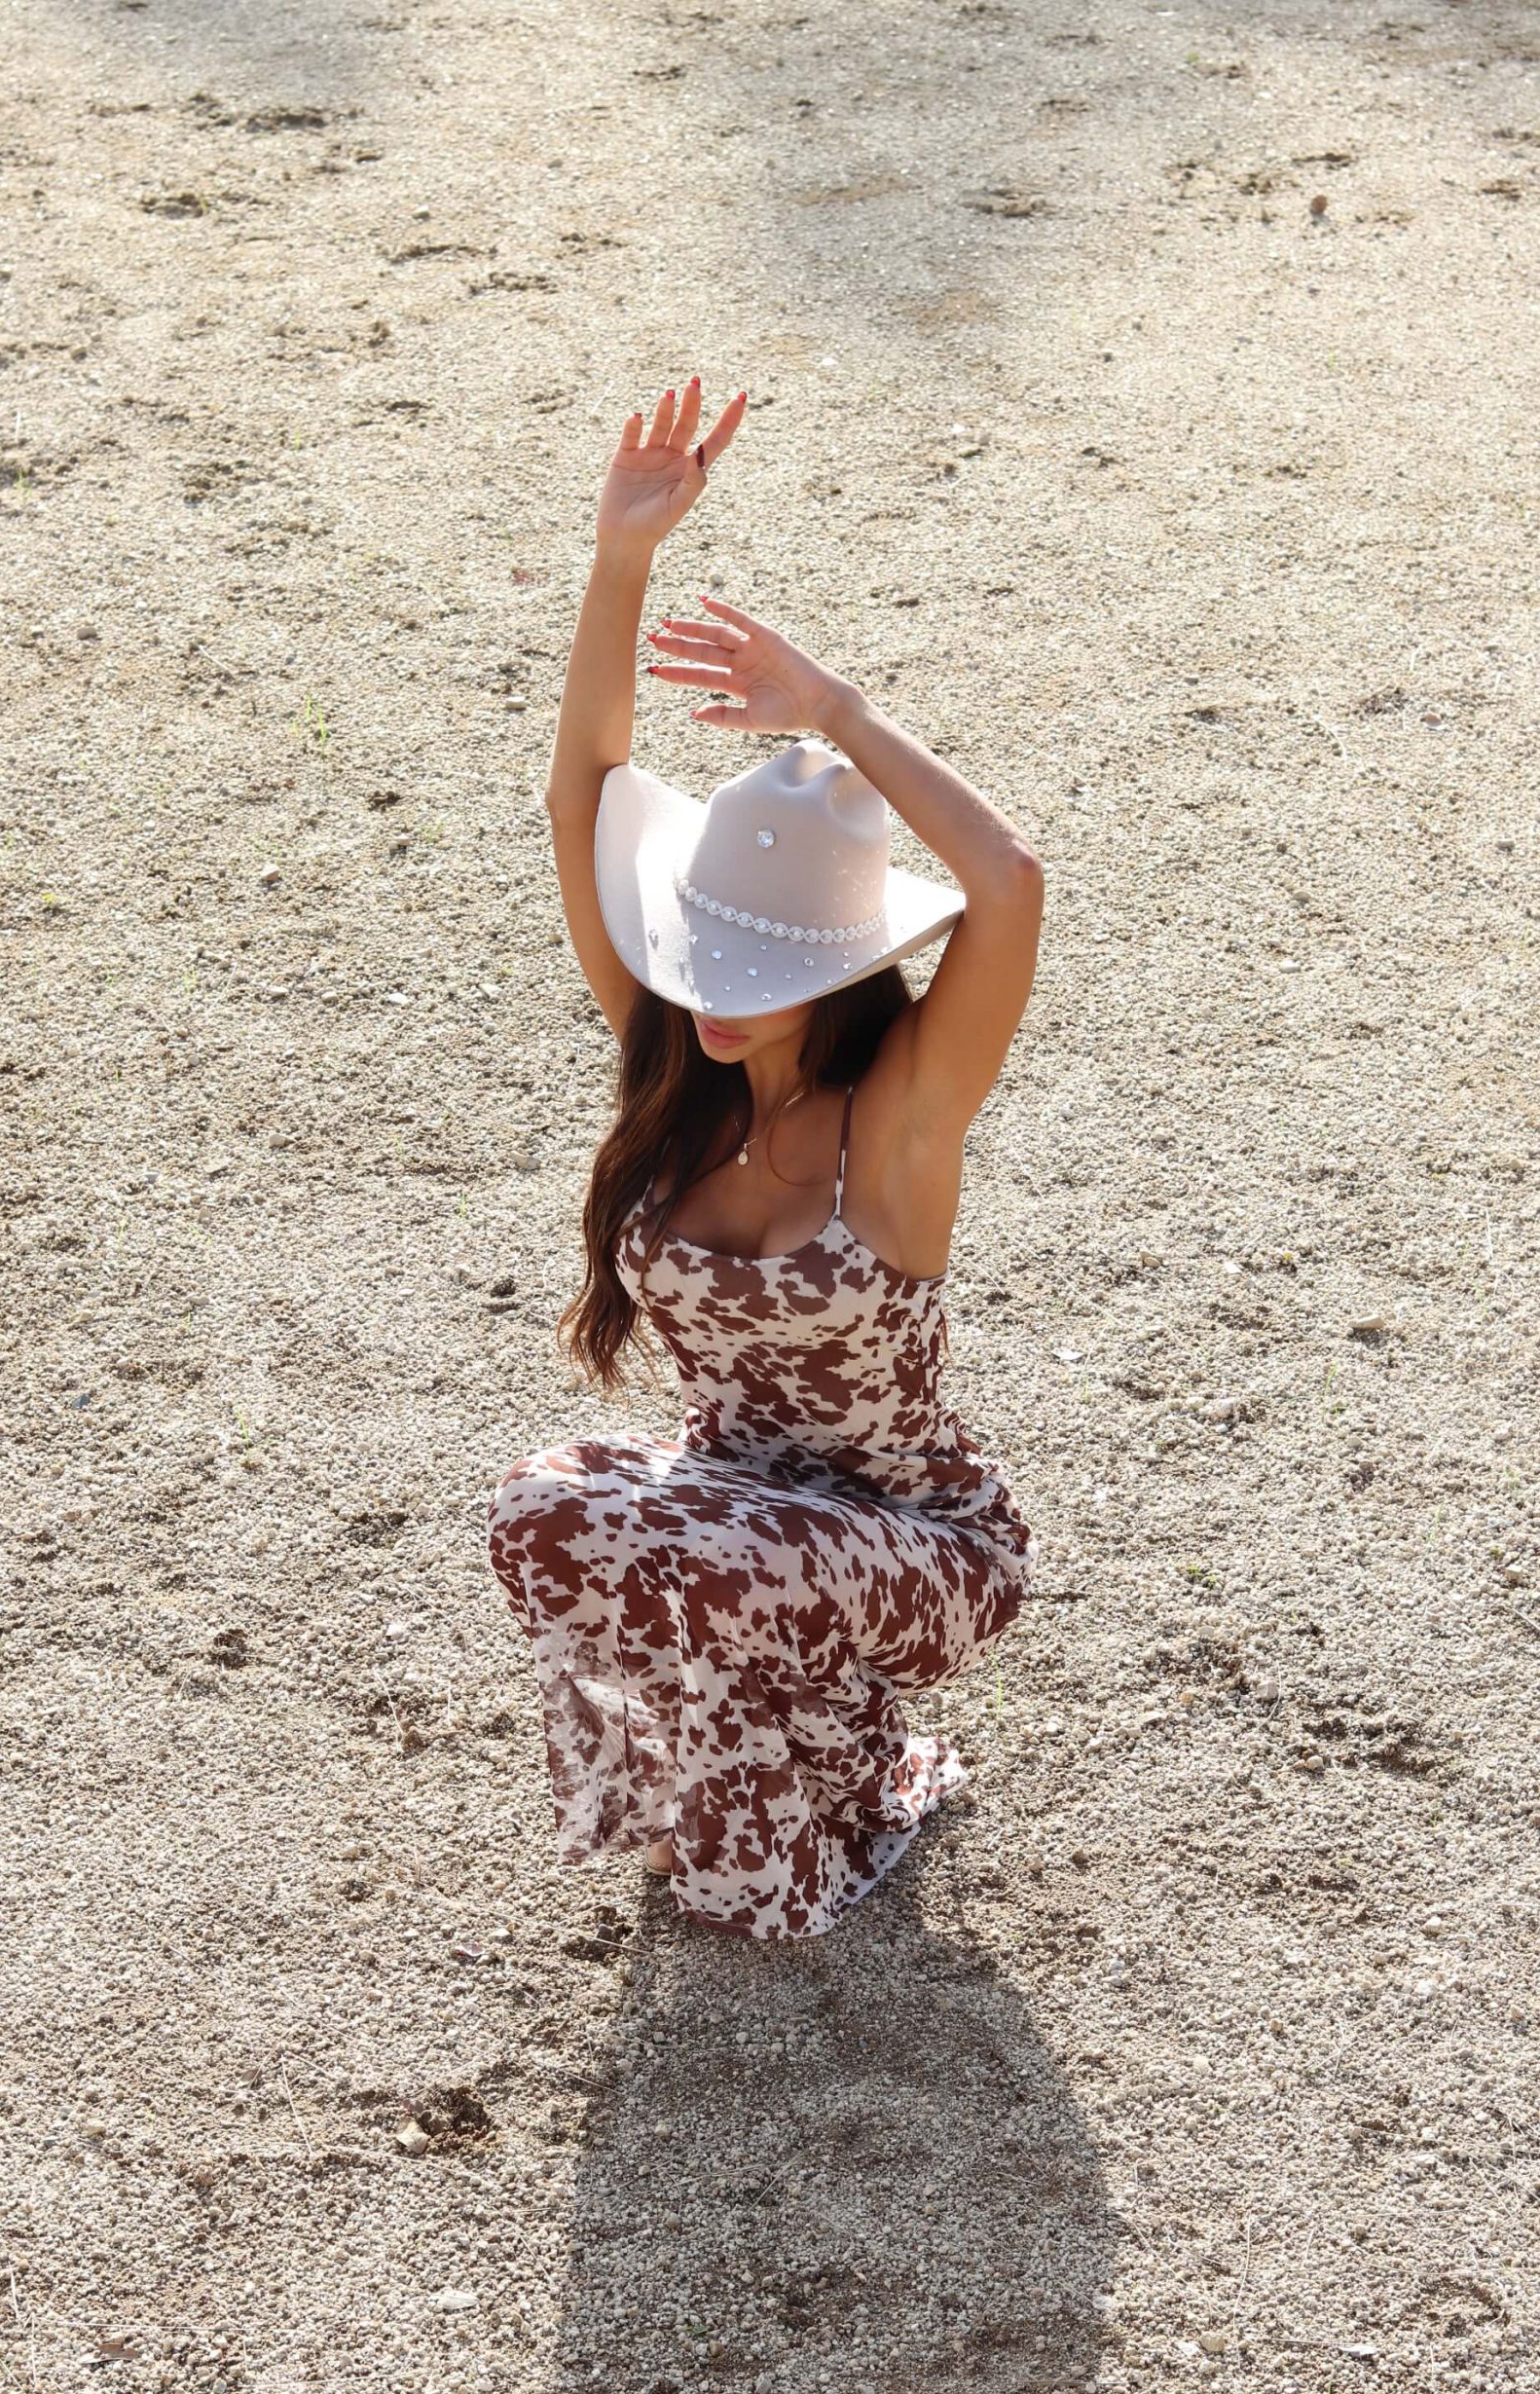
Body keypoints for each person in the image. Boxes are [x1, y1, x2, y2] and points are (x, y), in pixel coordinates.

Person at [486, 376, 1045, 1941]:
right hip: (728, 1508)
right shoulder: (676, 1054)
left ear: (845, 970)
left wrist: (839, 713)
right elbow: (581, 799)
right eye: (702, 960)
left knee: (755, 1865)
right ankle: (771, 1749)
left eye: (760, 974)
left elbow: (1008, 879)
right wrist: (622, 559)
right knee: (539, 1510)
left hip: (918, 1546)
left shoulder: (901, 1115)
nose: (716, 1002)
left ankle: (848, 1749)